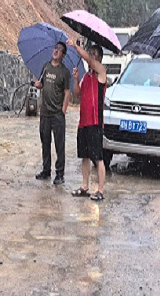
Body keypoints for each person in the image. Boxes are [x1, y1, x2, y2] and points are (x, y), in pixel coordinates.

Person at [70, 39, 107, 201]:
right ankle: (84, 186)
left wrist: (76, 46)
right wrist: (76, 79)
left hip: (95, 122)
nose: (90, 56)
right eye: (90, 53)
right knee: (84, 156)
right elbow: (76, 94)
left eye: (94, 54)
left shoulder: (101, 72)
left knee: (97, 157)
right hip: (83, 122)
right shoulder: (87, 76)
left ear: (99, 58)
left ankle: (100, 190)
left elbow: (89, 61)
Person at [34, 42, 72, 185]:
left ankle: (60, 174)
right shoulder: (46, 67)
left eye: (59, 50)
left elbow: (67, 92)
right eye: (55, 48)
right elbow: (41, 84)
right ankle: (46, 170)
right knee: (45, 142)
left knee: (59, 145)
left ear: (63, 55)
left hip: (57, 114)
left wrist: (63, 110)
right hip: (45, 112)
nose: (56, 51)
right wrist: (38, 85)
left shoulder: (64, 72)